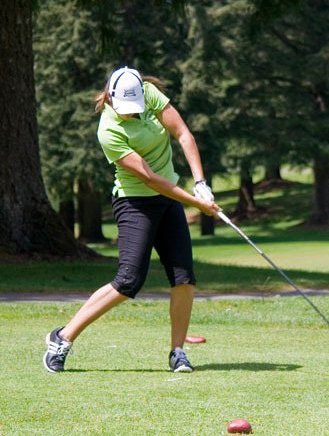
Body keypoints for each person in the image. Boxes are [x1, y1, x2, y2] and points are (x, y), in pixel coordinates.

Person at [43, 66, 220, 373]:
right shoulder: (108, 131)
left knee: (183, 277)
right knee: (127, 281)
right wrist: (195, 203)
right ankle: (62, 337)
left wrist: (201, 183)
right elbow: (151, 179)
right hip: (135, 201)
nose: (129, 114)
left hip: (170, 198)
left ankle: (177, 351)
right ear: (110, 97)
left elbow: (183, 134)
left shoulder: (149, 95)